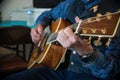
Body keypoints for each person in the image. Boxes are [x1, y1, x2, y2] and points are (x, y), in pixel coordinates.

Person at [3, 0, 120, 80]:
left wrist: (85, 52)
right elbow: (48, 14)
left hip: (89, 75)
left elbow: (112, 72)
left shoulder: (115, 11)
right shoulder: (70, 3)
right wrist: (39, 26)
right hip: (59, 70)